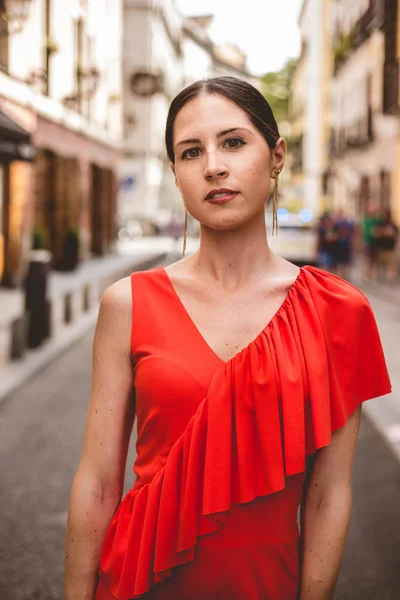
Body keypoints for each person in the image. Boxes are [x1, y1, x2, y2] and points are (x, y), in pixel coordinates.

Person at [65, 77, 391, 600]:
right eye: (191, 152)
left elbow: (328, 495)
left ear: (277, 155)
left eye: (234, 142)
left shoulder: (337, 312)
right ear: (177, 174)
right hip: (136, 583)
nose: (213, 165)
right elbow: (99, 482)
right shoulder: (127, 303)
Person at [372, 209, 399, 282]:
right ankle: (380, 276)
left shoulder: (393, 225)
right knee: (380, 263)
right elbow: (375, 233)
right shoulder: (380, 224)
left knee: (390, 264)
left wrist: (391, 234)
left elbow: (396, 236)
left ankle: (390, 278)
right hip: (381, 247)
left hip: (390, 248)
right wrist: (383, 232)